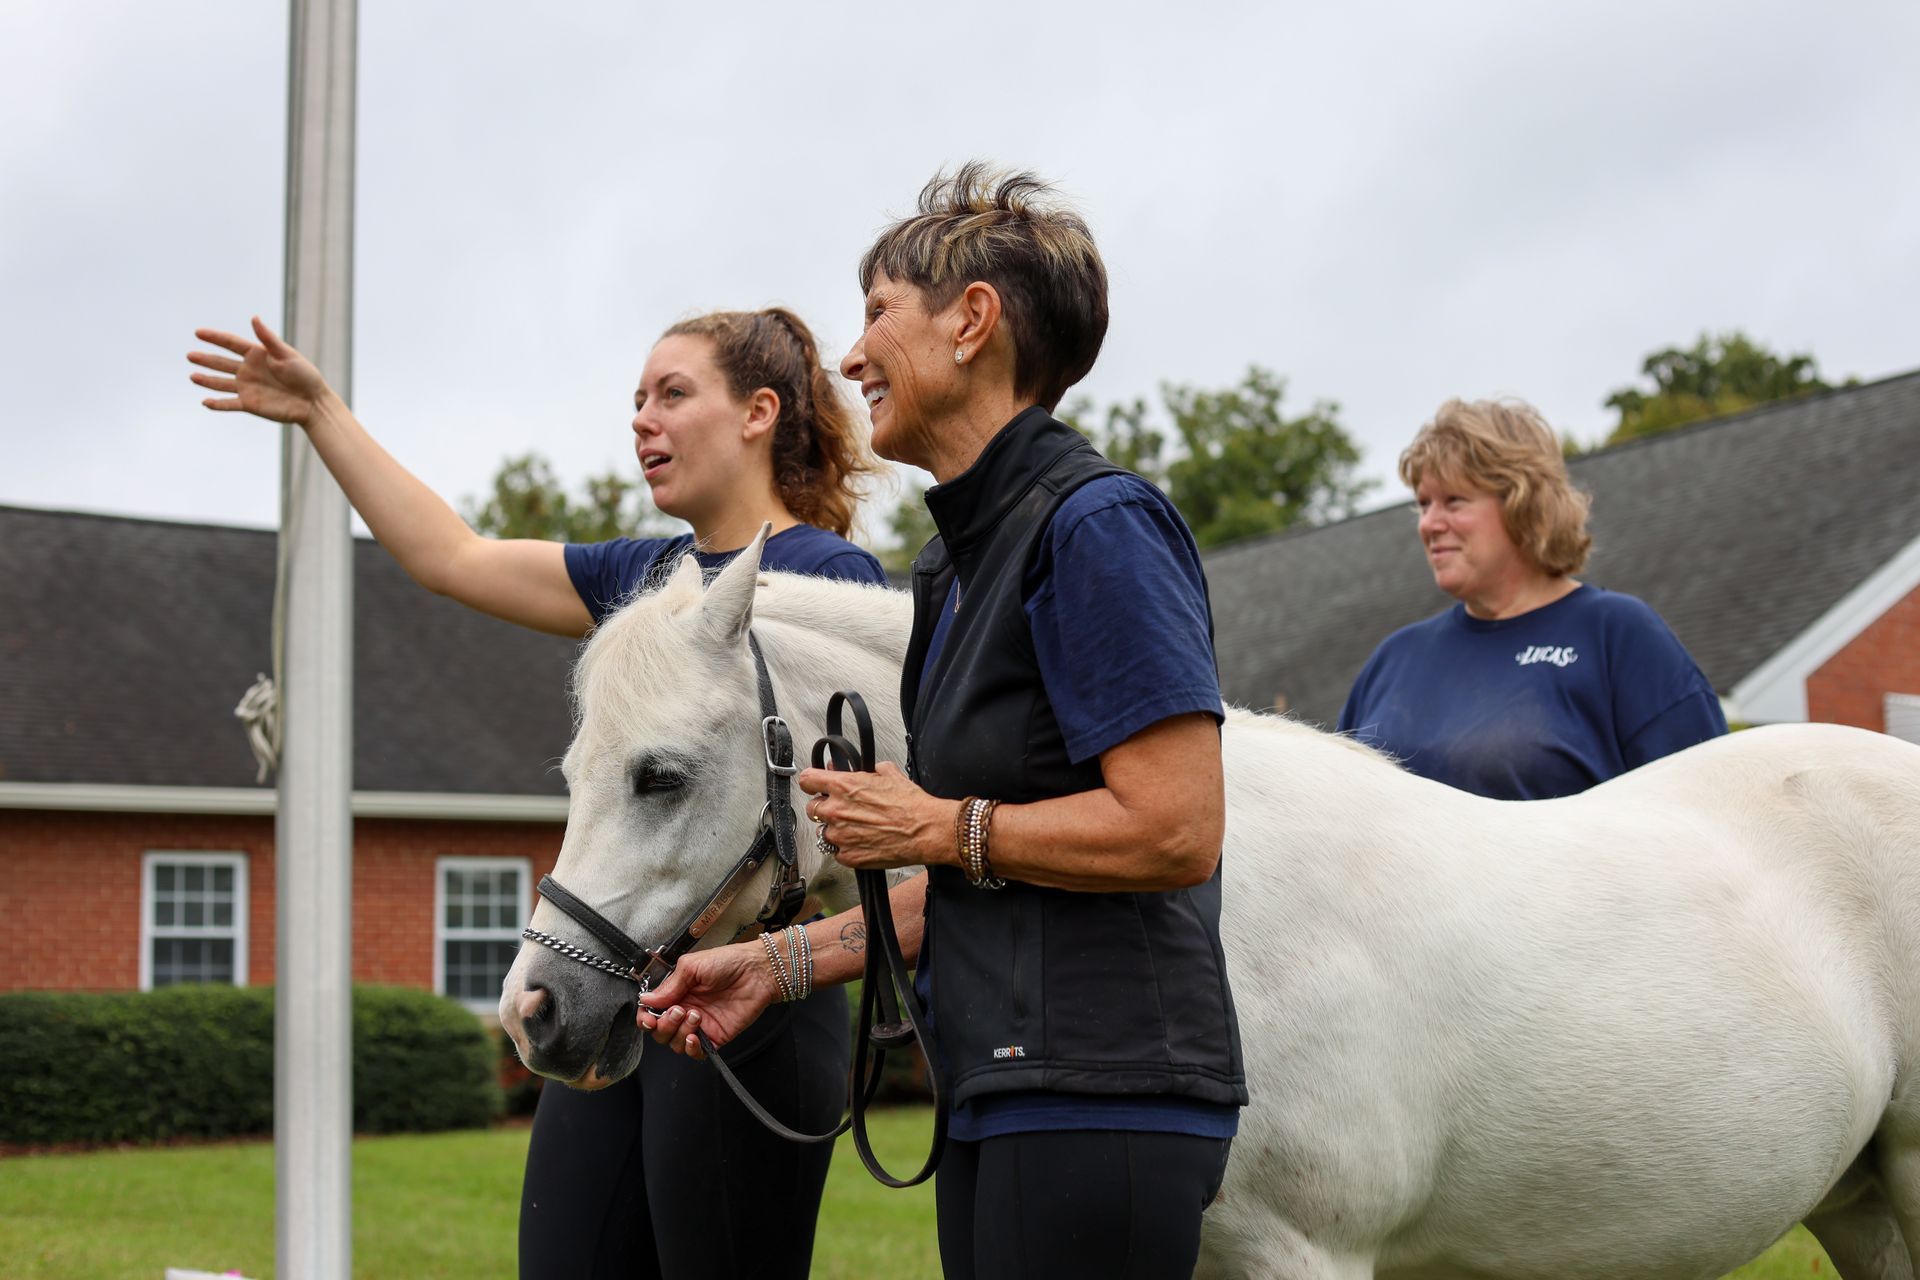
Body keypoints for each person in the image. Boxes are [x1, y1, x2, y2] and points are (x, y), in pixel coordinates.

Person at [636, 165, 1245, 1279]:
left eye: (876, 313)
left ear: (973, 321)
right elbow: (966, 879)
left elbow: (1176, 827)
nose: (852, 355)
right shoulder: (951, 566)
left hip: (1097, 1096)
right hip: (1002, 1093)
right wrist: (777, 962)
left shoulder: (1097, 523)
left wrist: (937, 824)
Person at [188, 306, 885, 1280]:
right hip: (613, 986)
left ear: (759, 412)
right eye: (636, 398)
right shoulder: (644, 578)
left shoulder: (826, 583)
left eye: (673, 393)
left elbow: (861, 830)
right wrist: (320, 413)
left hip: (746, 1010)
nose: (643, 419)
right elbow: (452, 557)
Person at [1338, 397, 1726, 799]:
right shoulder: (1393, 661)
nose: (1430, 524)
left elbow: (1713, 815)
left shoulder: (1619, 636)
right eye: (1423, 503)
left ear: (1522, 503)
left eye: (1454, 500)